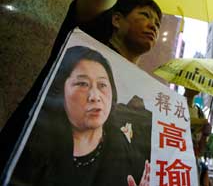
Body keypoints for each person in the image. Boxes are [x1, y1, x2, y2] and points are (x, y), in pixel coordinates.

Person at [0, 0, 208, 182]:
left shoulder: (137, 103)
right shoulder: (87, 35)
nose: (154, 25)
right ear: (116, 20)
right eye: (145, 15)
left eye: (157, 22)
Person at [11, 46, 151, 186]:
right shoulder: (31, 149)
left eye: (102, 85)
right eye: (83, 84)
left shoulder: (127, 152)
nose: (95, 97)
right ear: (60, 90)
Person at [183, 87, 211, 186]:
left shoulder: (199, 112)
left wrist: (205, 134)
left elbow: (201, 151)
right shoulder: (176, 105)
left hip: (194, 161)